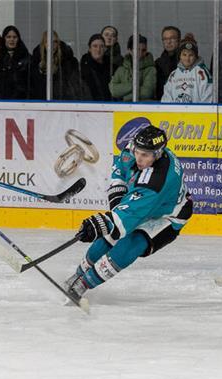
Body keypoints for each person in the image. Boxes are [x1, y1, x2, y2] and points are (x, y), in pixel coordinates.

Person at [64, 125, 193, 299]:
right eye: (137, 152)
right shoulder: (133, 149)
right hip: (144, 204)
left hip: (167, 216)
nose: (138, 158)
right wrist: (116, 205)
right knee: (109, 236)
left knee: (132, 243)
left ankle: (82, 284)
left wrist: (104, 222)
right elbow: (119, 172)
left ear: (158, 153)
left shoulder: (157, 180)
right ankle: (76, 275)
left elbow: (126, 217)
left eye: (145, 155)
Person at [31, 30, 86, 100]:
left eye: (55, 42)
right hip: (41, 102)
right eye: (48, 41)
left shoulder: (67, 61)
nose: (52, 45)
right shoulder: (36, 62)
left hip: (62, 101)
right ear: (44, 44)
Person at [160, 35, 213, 103]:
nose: (187, 59)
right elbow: (167, 97)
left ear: (196, 56)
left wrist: (200, 111)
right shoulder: (173, 75)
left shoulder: (202, 73)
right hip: (176, 113)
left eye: (191, 55)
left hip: (196, 113)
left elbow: (208, 96)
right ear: (180, 56)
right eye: (184, 55)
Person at [109, 34, 157, 101]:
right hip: (122, 109)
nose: (140, 53)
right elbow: (113, 90)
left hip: (143, 109)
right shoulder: (121, 69)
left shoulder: (151, 69)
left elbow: (147, 93)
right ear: (129, 50)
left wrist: (124, 97)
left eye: (144, 50)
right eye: (137, 49)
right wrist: (134, 86)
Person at [80, 33, 114, 101]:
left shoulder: (112, 67)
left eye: (101, 46)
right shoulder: (82, 68)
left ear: (105, 49)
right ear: (89, 49)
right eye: (95, 46)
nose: (98, 50)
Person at [1, 25, 31, 99]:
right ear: (4, 39)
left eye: (14, 37)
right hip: (2, 99)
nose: (12, 40)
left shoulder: (26, 58)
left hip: (21, 100)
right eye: (8, 37)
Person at [154, 26, 181, 100]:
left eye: (172, 38)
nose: (168, 42)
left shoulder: (187, 62)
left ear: (179, 40)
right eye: (165, 39)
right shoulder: (157, 63)